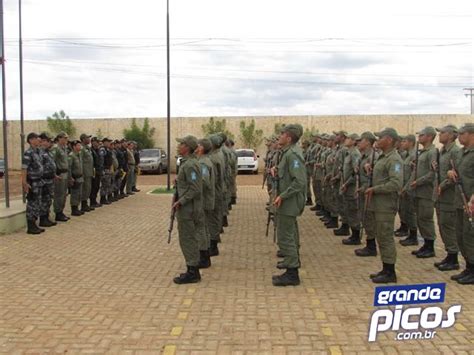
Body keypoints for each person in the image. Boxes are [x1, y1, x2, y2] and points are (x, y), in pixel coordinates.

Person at [365, 128, 403, 283]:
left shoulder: (394, 159)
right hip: (378, 205)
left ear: (388, 140)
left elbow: (396, 183)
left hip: (386, 205)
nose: (377, 140)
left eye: (380, 137)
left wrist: (375, 189)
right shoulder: (383, 157)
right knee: (381, 236)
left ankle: (390, 272)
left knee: (386, 237)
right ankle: (385, 268)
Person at [271, 124, 307, 286]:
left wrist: (282, 196)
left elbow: (299, 181)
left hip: (289, 201)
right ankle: (292, 263)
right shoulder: (288, 154)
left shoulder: (292, 155)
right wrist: (276, 170)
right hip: (287, 200)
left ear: (289, 138)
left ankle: (292, 274)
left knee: (286, 236)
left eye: (282, 134)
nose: (280, 136)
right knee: (290, 233)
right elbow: (287, 174)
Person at [172, 135, 203, 284]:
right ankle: (192, 268)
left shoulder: (190, 165)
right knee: (187, 238)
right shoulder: (187, 163)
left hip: (188, 209)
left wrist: (181, 201)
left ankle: (193, 271)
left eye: (182, 144)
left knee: (188, 239)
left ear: (187, 147)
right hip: (187, 207)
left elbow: (195, 188)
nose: (179, 146)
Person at [447, 123, 474, 284]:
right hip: (459, 201)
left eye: (462, 133)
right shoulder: (462, 153)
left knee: (470, 236)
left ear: (471, 134)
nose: (459, 136)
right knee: (461, 236)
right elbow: (454, 171)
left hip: (470, 203)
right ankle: (469, 267)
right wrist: (450, 173)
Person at [433, 125, 461, 271]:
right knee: (443, 225)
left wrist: (442, 185)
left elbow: (456, 174)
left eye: (442, 133)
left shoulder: (455, 152)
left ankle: (454, 258)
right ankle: (449, 254)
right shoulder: (443, 151)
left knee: (449, 226)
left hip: (450, 196)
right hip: (441, 196)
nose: (440, 135)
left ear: (450, 135)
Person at [409, 126, 437, 258]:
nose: (419, 138)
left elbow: (432, 174)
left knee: (426, 219)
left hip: (426, 192)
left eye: (422, 135)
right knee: (420, 219)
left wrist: (417, 182)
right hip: (418, 192)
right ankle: (425, 244)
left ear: (429, 137)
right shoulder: (422, 152)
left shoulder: (432, 152)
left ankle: (430, 246)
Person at [354, 131, 379, 257]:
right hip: (363, 191)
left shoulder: (373, 157)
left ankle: (371, 246)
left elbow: (374, 177)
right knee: (365, 218)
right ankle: (369, 244)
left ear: (368, 142)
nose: (358, 143)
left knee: (369, 219)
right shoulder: (362, 156)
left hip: (369, 193)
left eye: (361, 140)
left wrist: (364, 187)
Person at [196, 138, 215, 268]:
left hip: (203, 200)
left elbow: (204, 181)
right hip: (205, 199)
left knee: (201, 229)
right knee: (205, 229)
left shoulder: (203, 163)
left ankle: (203, 257)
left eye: (198, 145)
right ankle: (205, 254)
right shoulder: (204, 161)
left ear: (201, 148)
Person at [340, 133, 362, 245]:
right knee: (349, 210)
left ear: (354, 141)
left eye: (349, 138)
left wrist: (346, 184)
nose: (346, 140)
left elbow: (355, 173)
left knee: (353, 211)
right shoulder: (349, 153)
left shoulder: (355, 154)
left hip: (352, 187)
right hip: (347, 187)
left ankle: (356, 236)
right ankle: (353, 234)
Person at [22, 132, 45, 234]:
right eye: (36, 138)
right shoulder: (28, 153)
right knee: (32, 203)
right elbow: (24, 169)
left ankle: (34, 224)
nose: (38, 139)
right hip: (32, 182)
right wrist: (24, 183)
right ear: (30, 140)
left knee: (37, 203)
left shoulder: (38, 151)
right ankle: (30, 226)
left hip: (39, 182)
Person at [398, 135, 418, 244]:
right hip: (403, 189)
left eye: (404, 141)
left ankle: (413, 236)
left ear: (411, 142)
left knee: (411, 212)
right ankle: (410, 233)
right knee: (405, 211)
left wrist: (405, 188)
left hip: (410, 190)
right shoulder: (404, 155)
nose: (402, 143)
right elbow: (399, 170)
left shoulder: (414, 155)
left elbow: (413, 175)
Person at [208, 134, 225, 256]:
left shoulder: (213, 158)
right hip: (219, 190)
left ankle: (213, 246)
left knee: (212, 219)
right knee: (215, 217)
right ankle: (214, 240)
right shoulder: (219, 155)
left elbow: (212, 180)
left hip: (214, 191)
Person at [38, 132, 57, 227]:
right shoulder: (40, 152)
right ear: (42, 141)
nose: (50, 143)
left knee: (48, 200)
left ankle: (46, 217)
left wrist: (54, 175)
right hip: (44, 180)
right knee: (44, 200)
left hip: (50, 180)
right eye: (48, 141)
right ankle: (42, 219)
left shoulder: (47, 152)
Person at [51, 132, 70, 222]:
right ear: (59, 138)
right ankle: (58, 213)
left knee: (64, 194)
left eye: (67, 138)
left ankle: (61, 211)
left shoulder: (64, 149)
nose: (66, 140)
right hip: (60, 175)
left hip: (65, 174)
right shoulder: (56, 148)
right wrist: (54, 174)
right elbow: (52, 162)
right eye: (64, 138)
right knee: (59, 194)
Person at [68, 140, 84, 216]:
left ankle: (77, 207)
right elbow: (69, 167)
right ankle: (73, 209)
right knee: (74, 194)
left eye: (80, 145)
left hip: (80, 177)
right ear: (74, 147)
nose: (79, 147)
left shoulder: (79, 155)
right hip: (75, 177)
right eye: (78, 145)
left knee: (79, 194)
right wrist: (70, 177)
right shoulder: (71, 155)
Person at [80, 134, 95, 212]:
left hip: (89, 172)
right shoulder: (81, 148)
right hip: (85, 172)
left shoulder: (88, 148)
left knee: (88, 189)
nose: (89, 139)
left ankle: (85, 204)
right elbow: (81, 161)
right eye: (87, 138)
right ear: (83, 139)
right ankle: (83, 204)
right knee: (85, 189)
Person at [90, 137, 104, 208]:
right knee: (93, 186)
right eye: (96, 142)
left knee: (97, 186)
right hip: (94, 171)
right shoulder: (91, 150)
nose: (98, 143)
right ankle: (92, 202)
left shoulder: (98, 150)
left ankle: (94, 200)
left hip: (99, 170)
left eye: (98, 142)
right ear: (92, 142)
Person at [100, 138, 113, 205]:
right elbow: (101, 161)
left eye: (109, 142)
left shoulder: (107, 150)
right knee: (104, 184)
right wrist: (102, 170)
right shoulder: (102, 150)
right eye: (107, 142)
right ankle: (102, 198)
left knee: (107, 184)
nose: (109, 143)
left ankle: (105, 197)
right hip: (105, 169)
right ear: (104, 142)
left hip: (108, 169)